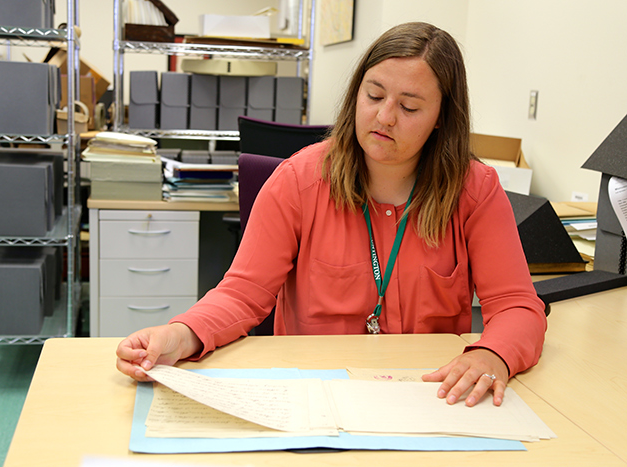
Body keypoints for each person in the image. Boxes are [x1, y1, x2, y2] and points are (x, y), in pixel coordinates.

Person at [117, 22, 547, 408]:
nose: (384, 117)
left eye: (410, 107)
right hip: (313, 392)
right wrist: (180, 334)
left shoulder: (475, 189)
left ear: (440, 119)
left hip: (426, 393)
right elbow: (243, 294)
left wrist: (494, 354)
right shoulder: (298, 181)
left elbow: (517, 306)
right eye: (374, 95)